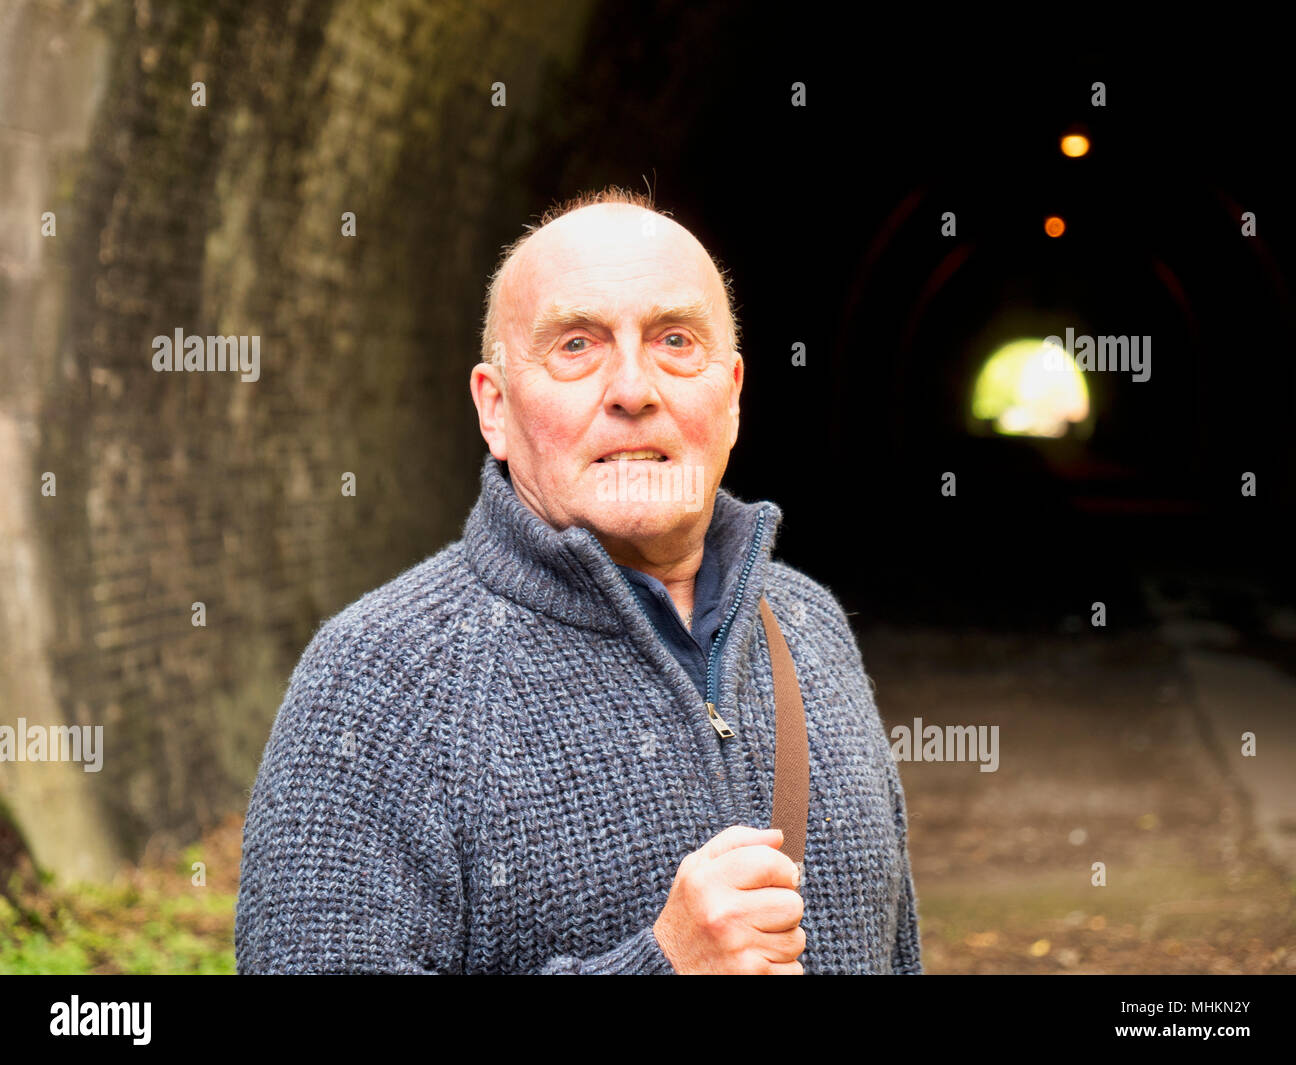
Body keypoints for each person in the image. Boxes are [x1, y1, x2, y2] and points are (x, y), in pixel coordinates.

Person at [235, 186, 922, 974]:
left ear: (731, 397)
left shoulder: (810, 624)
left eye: (674, 340)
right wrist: (662, 966)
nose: (634, 388)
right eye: (576, 346)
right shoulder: (377, 678)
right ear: (494, 409)